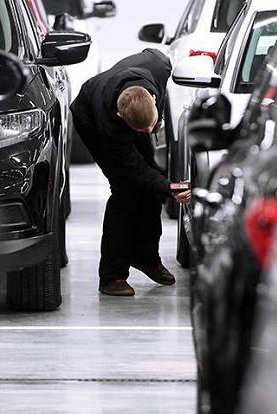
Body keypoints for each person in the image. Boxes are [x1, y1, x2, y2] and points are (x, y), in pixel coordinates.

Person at [71, 48, 191, 297]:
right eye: (143, 129)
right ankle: (112, 276)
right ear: (120, 117)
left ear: (154, 100)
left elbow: (158, 57)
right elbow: (136, 171)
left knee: (150, 190)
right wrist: (170, 189)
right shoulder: (110, 124)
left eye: (152, 125)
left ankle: (146, 258)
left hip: (132, 108)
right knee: (125, 190)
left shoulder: (160, 66)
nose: (150, 132)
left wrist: (163, 188)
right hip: (89, 117)